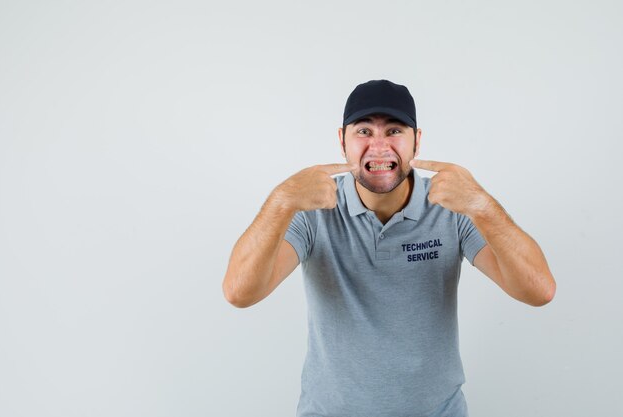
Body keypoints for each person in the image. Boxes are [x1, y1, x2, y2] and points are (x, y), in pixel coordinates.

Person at [222, 79, 556, 417]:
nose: (379, 147)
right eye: (364, 132)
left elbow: (538, 290)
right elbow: (240, 292)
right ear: (342, 141)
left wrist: (482, 205)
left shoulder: (453, 204)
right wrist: (281, 202)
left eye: (394, 131)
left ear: (417, 141)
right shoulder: (312, 207)